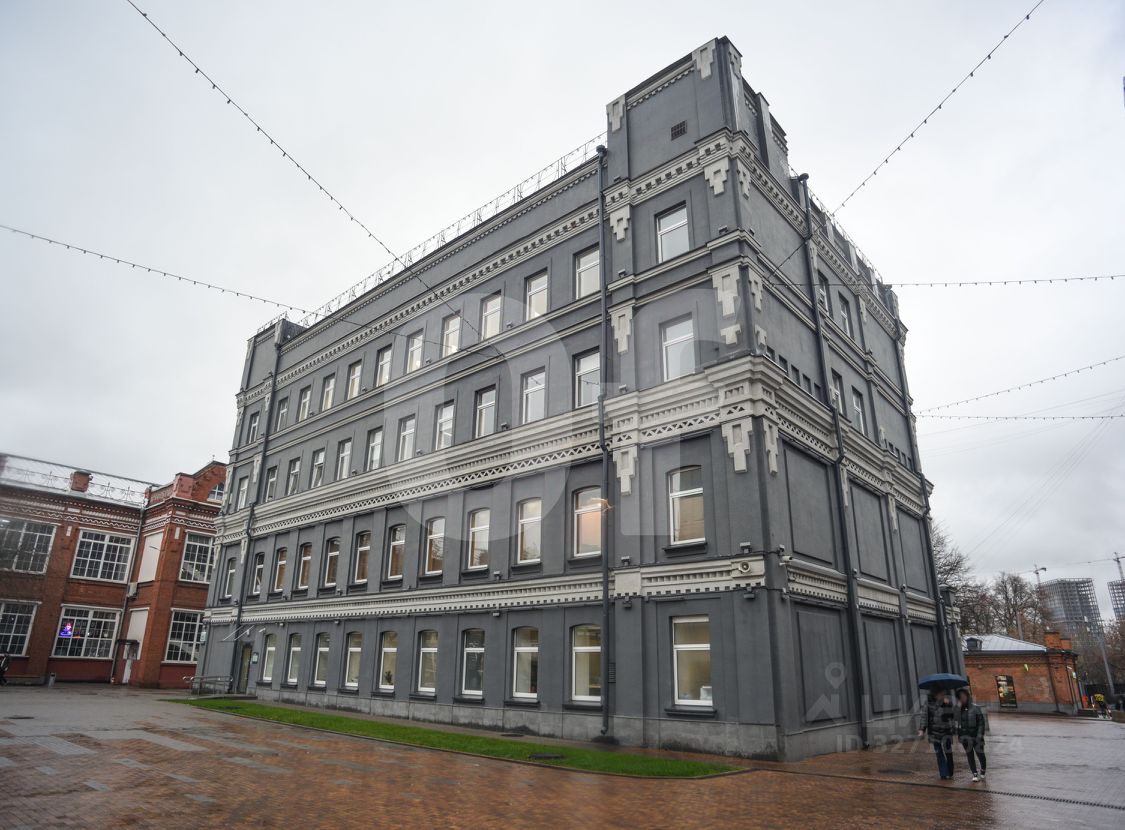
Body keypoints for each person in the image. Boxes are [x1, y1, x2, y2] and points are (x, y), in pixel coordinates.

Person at [919, 689, 956, 779]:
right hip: (934, 731)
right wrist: (922, 729)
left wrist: (948, 705)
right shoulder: (928, 703)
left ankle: (950, 770)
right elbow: (924, 717)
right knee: (939, 753)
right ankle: (943, 773)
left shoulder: (947, 702)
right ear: (935, 694)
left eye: (943, 694)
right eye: (941, 694)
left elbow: (952, 716)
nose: (943, 696)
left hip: (946, 731)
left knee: (948, 752)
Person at [955, 687, 988, 782]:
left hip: (976, 737)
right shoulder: (958, 709)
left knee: (980, 755)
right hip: (965, 738)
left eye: (963, 696)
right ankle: (974, 773)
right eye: (960, 697)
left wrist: (979, 736)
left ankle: (983, 770)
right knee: (970, 756)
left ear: (967, 696)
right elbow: (956, 723)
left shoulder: (975, 708)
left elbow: (981, 723)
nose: (962, 698)